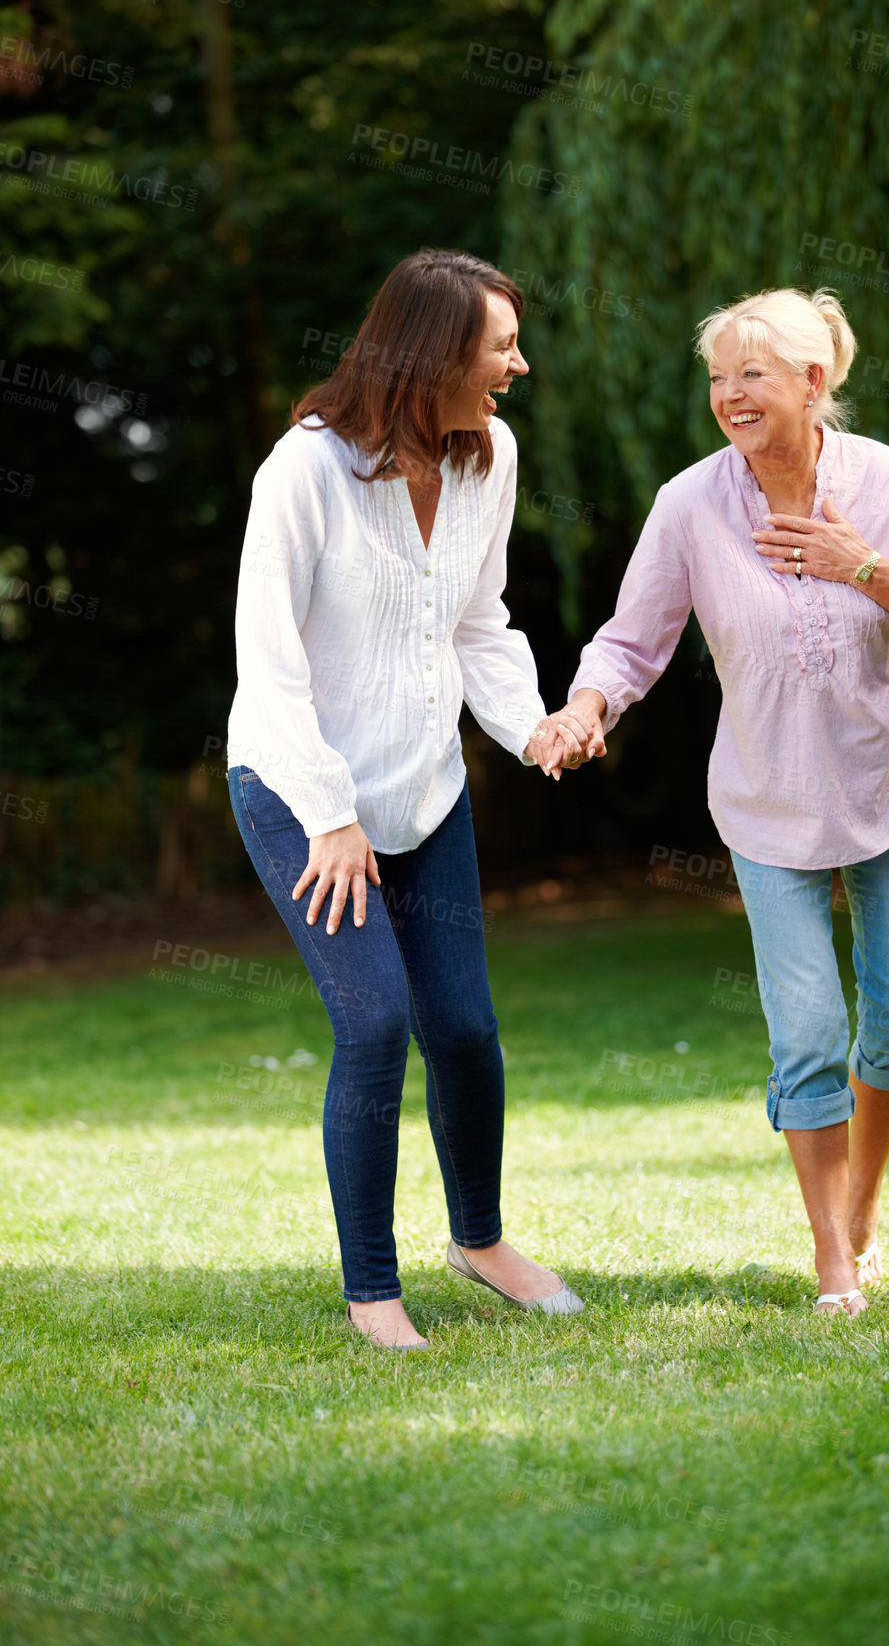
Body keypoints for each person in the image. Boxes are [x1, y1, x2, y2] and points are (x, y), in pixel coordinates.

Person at [545, 288, 889, 1316]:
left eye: (751, 373)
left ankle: (861, 1210)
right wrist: (585, 708)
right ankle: (830, 1258)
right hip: (766, 804)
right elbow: (630, 640)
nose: (729, 394)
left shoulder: (883, 482)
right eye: (717, 377)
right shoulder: (689, 504)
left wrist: (864, 567)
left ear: (811, 380)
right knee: (805, 1033)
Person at [226, 249, 587, 1350]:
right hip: (301, 792)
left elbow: (479, 621)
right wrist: (331, 813)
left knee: (466, 1029)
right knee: (375, 1023)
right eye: (499, 347)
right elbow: (268, 657)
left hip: (426, 792)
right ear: (432, 355)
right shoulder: (305, 470)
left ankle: (477, 1242)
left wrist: (528, 725)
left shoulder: (491, 457)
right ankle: (371, 1291)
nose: (518, 365)